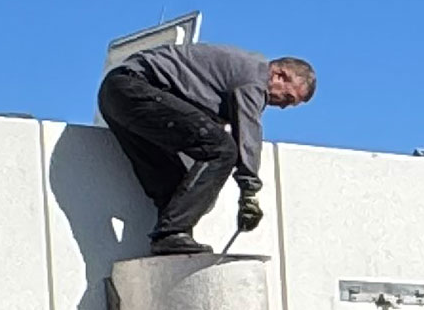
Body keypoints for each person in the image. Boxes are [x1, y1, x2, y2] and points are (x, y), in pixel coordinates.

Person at [97, 39, 317, 256]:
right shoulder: (254, 76)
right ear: (279, 75)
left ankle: (170, 241)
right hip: (135, 89)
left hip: (115, 96)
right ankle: (173, 232)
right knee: (221, 149)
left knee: (175, 184)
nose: (283, 106)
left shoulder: (233, 76)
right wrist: (249, 191)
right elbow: (248, 133)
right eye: (288, 97)